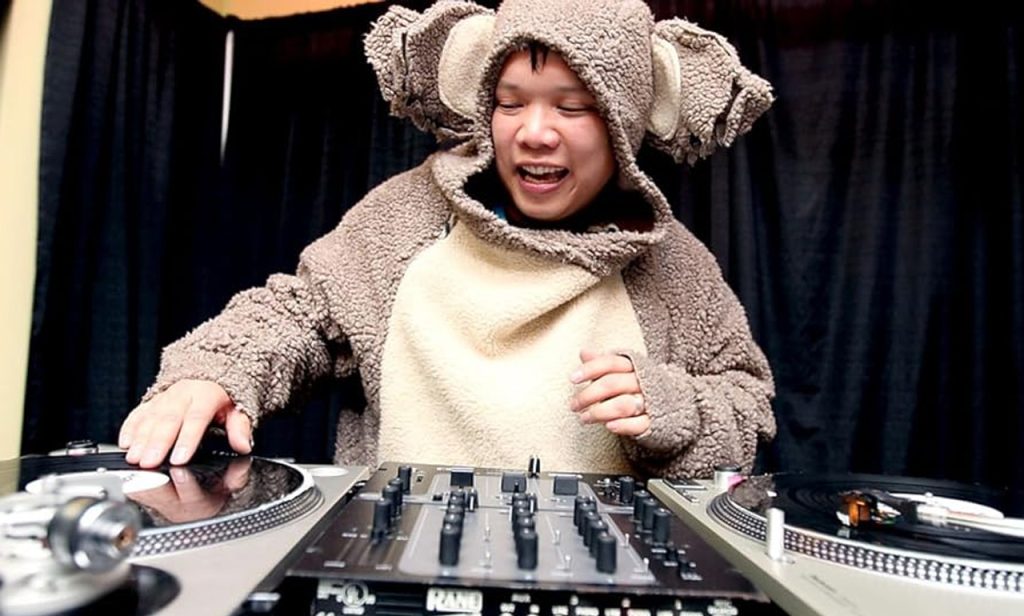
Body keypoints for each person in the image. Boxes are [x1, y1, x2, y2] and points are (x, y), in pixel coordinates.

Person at [118, 0, 777, 479]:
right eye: (510, 102)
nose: (534, 132)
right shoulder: (408, 215)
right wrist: (215, 371)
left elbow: (746, 406)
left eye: (572, 106)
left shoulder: (673, 262)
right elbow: (299, 313)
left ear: (624, 125)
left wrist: (672, 407)